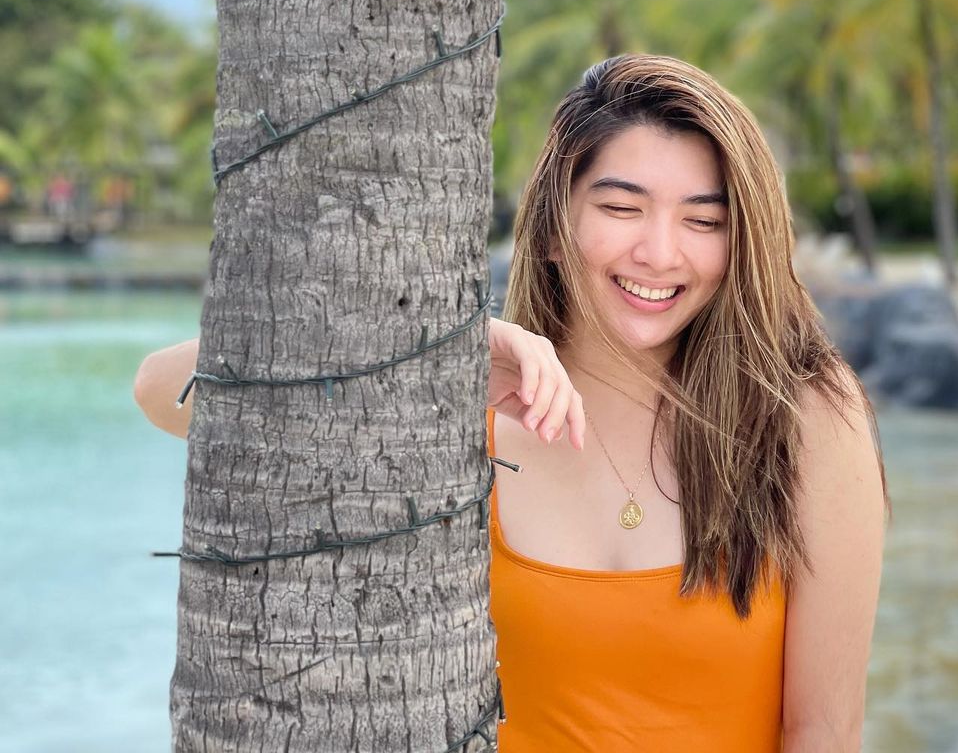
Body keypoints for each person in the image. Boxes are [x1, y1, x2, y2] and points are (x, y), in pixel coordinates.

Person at [134, 52, 889, 752]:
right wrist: (444, 360)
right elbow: (166, 392)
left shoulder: (806, 415)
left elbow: (823, 729)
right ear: (556, 229)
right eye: (622, 208)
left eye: (704, 220)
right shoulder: (470, 405)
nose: (661, 253)